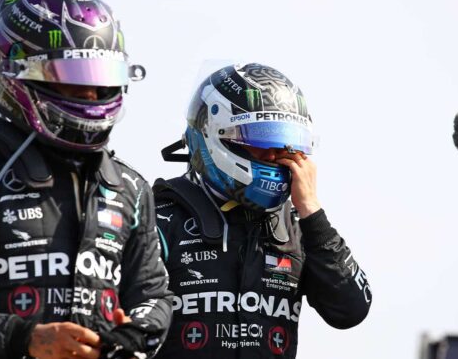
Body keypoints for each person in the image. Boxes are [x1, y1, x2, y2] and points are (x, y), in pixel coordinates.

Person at [0, 0, 172, 359]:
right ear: (15, 73)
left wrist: (135, 335)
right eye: (73, 77)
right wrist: (25, 338)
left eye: (101, 79)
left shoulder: (130, 187)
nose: (91, 95)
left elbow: (154, 298)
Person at [152, 63, 372, 358]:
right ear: (215, 134)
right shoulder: (158, 217)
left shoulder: (300, 228)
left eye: (285, 145)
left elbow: (350, 309)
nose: (275, 156)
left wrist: (311, 211)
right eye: (261, 140)